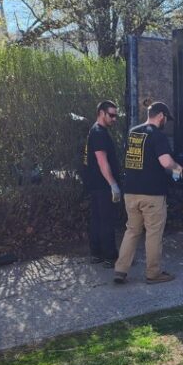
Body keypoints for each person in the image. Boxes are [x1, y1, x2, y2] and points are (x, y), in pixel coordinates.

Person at [113, 101, 182, 285]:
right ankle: (153, 273)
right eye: (165, 119)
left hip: (130, 192)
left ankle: (120, 270)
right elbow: (166, 163)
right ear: (161, 116)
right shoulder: (157, 136)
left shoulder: (133, 132)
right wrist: (178, 168)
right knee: (153, 233)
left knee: (132, 231)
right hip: (152, 194)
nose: (165, 122)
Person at [82, 100, 122, 267]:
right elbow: (102, 161)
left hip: (95, 183)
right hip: (103, 184)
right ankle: (110, 257)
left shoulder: (95, 130)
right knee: (106, 220)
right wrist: (113, 184)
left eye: (116, 115)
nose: (114, 119)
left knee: (97, 219)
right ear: (101, 113)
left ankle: (96, 253)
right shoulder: (99, 133)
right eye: (111, 115)